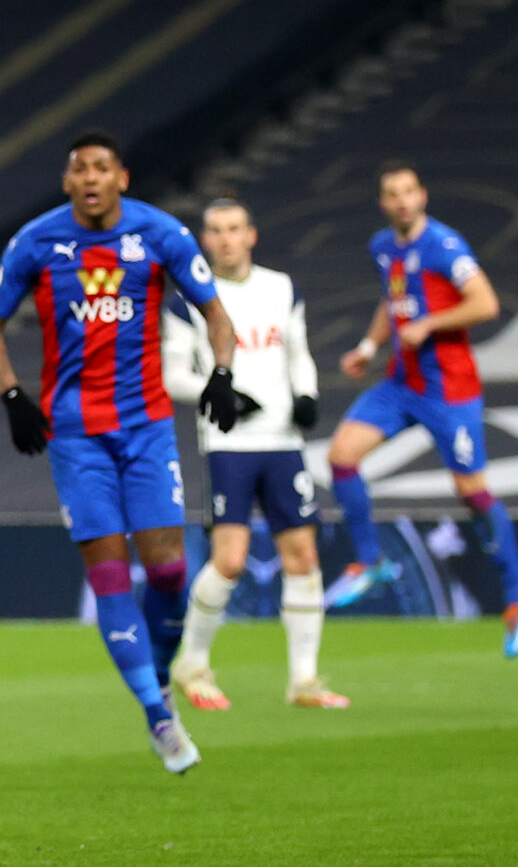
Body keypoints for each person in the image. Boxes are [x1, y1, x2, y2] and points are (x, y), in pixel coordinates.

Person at [0, 132, 241, 775]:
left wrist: (223, 374)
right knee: (111, 571)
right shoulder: (37, 241)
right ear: (68, 182)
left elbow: (217, 315)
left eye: (101, 168)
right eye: (79, 170)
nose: (90, 178)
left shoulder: (162, 234)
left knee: (170, 571)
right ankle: (157, 715)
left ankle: (156, 678)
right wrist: (12, 396)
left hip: (147, 426)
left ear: (122, 176)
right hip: (75, 435)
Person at [325, 160, 518, 658]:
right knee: (341, 456)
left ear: (421, 195)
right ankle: (371, 561)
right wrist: (368, 346)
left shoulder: (445, 245)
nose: (402, 201)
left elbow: (485, 304)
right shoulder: (383, 247)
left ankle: (516, 597)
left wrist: (430, 324)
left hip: (449, 390)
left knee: (472, 493)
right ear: (383, 203)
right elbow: (391, 302)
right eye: (392, 194)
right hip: (402, 383)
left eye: (408, 191)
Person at [161, 199, 345, 711]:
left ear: (251, 235)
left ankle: (303, 681)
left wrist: (306, 395)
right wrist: (221, 393)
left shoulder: (281, 288)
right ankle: (191, 662)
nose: (226, 239)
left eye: (234, 229)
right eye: (216, 230)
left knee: (303, 555)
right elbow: (172, 376)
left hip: (283, 440)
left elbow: (298, 353)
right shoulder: (188, 299)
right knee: (230, 561)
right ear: (205, 239)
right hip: (229, 443)